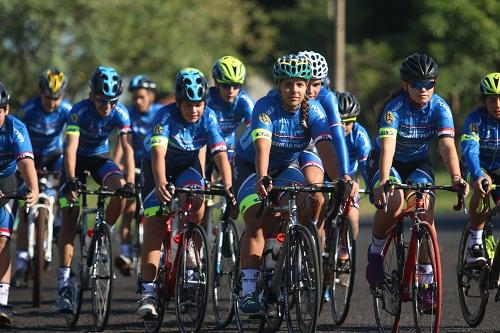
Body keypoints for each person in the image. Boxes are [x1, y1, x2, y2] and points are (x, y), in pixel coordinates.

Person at [233, 54, 349, 313]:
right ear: (278, 86)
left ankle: (282, 253)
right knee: (256, 217)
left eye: (299, 84)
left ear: (308, 86)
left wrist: (340, 178)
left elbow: (326, 149)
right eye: (288, 84)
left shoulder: (315, 110)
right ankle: (249, 289)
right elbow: (262, 148)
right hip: (251, 167)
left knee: (305, 200)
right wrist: (263, 178)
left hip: (285, 167)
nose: (294, 90)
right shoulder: (265, 106)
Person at [365, 53, 469, 310]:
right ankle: (376, 251)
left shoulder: (440, 107)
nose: (423, 90)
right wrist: (385, 181)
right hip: (388, 162)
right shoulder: (394, 110)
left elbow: (447, 146)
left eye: (429, 84)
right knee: (395, 202)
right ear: (405, 85)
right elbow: (388, 148)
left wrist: (456, 177)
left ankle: (425, 282)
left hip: (418, 164)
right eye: (417, 84)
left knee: (425, 211)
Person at [136, 68, 234, 319]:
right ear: (178, 102)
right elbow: (158, 155)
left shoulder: (209, 117)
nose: (194, 111)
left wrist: (229, 184)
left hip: (188, 166)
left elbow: (220, 152)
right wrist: (160, 183)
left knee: (197, 197)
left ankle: (191, 258)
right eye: (188, 105)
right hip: (157, 167)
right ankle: (148, 292)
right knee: (156, 223)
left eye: (198, 104)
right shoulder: (164, 117)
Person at [55, 66, 135, 313]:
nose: (108, 107)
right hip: (76, 160)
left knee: (120, 190)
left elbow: (128, 148)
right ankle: (65, 283)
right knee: (70, 216)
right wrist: (70, 180)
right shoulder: (78, 112)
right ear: (92, 96)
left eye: (112, 101)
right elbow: (70, 149)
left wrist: (130, 181)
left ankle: (101, 234)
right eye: (102, 101)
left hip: (100, 158)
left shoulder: (120, 113)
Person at [12, 68, 72, 288]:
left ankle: (56, 220)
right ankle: (20, 261)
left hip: (55, 157)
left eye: (57, 98)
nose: (53, 103)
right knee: (23, 203)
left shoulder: (67, 110)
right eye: (48, 97)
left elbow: (74, 136)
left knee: (66, 178)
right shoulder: (28, 110)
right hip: (30, 157)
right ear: (41, 93)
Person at [113, 74, 163, 276]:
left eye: (142, 97)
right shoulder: (129, 114)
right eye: (134, 98)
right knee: (129, 207)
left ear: (151, 96)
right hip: (135, 166)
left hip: (155, 166)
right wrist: (116, 168)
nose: (138, 101)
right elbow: (120, 146)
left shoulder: (160, 113)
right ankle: (125, 254)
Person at [0, 81, 39, 325]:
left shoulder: (16, 128)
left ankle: (2, 301)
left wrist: (33, 189)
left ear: (6, 110)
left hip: (6, 180)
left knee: (2, 239)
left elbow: (26, 164)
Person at [460, 72, 500, 267]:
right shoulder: (475, 120)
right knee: (484, 185)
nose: (498, 105)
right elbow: (470, 151)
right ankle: (475, 243)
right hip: (477, 165)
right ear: (484, 101)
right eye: (492, 100)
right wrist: (477, 174)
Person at [335, 91, 371, 250]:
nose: (343, 126)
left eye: (348, 121)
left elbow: (365, 165)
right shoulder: (324, 129)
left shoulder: (359, 134)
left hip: (350, 176)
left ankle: (345, 250)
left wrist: (371, 187)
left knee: (352, 217)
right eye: (339, 120)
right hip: (326, 174)